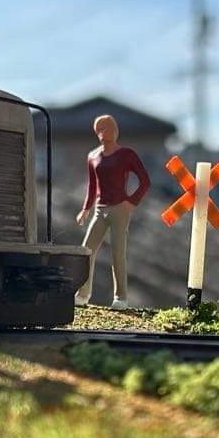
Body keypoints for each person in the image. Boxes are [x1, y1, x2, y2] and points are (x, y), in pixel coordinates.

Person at [75, 114, 150, 309]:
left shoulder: (126, 154)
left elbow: (144, 181)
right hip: (100, 210)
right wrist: (85, 209)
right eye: (98, 129)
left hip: (119, 209)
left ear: (115, 130)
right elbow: (92, 186)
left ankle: (121, 297)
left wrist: (131, 202)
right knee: (86, 250)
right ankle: (83, 293)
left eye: (105, 128)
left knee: (117, 253)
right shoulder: (93, 156)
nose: (102, 132)